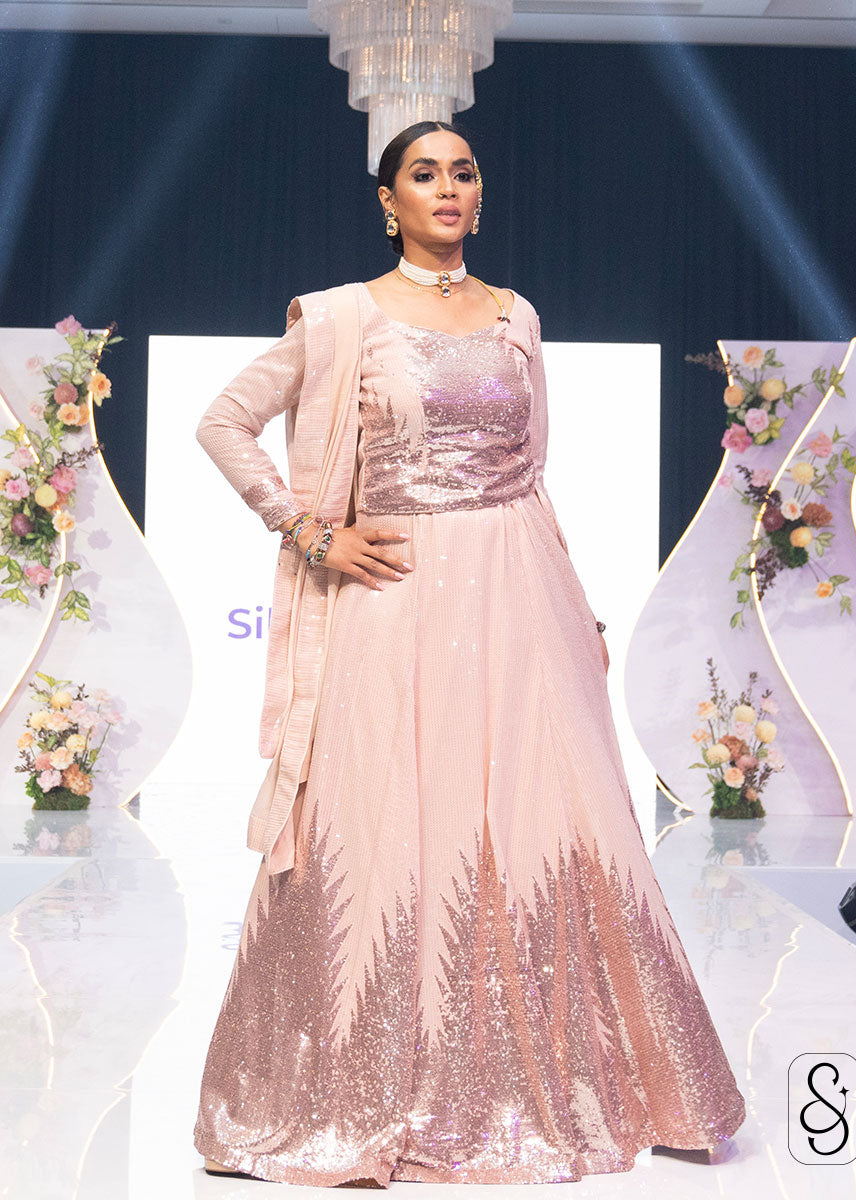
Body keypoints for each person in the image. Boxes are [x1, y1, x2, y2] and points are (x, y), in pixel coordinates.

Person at [192, 121, 746, 1187]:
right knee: (379, 821)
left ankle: (604, 1084)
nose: (447, 188)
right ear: (388, 200)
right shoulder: (343, 315)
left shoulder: (517, 315)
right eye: (423, 175)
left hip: (518, 589)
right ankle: (351, 1095)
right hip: (394, 600)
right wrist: (308, 529)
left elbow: (530, 471)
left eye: (464, 173)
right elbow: (224, 423)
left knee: (556, 817)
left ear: (481, 197)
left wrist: (576, 606)